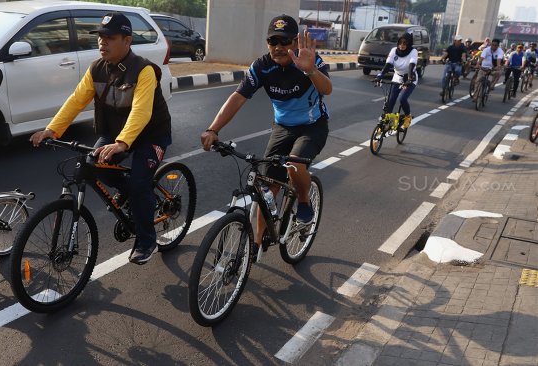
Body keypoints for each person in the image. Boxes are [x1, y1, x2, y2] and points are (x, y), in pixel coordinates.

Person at [29, 12, 171, 265]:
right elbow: (76, 100)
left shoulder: (144, 70)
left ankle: (147, 241)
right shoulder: (96, 68)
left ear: (127, 41)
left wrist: (122, 143)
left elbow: (141, 110)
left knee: (140, 183)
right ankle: (132, 196)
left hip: (151, 135)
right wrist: (52, 130)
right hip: (115, 133)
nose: (102, 42)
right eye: (100, 37)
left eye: (110, 37)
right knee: (94, 165)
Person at [200, 14, 332, 252]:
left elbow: (327, 89)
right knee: (266, 189)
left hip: (312, 126)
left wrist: (311, 70)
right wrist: (213, 129)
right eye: (273, 41)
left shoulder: (309, 60)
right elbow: (237, 98)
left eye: (284, 41)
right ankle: (257, 245)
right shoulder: (262, 66)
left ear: (294, 42)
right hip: (282, 127)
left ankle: (303, 201)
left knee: (294, 165)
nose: (278, 47)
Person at [376, 32, 417, 129]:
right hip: (397, 77)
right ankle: (387, 121)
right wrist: (380, 75)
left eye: (404, 43)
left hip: (409, 78)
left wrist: (410, 79)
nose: (401, 45)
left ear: (408, 44)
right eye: (400, 43)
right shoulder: (394, 50)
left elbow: (411, 65)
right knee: (390, 101)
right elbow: (388, 64)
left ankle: (407, 117)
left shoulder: (413, 51)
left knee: (402, 99)